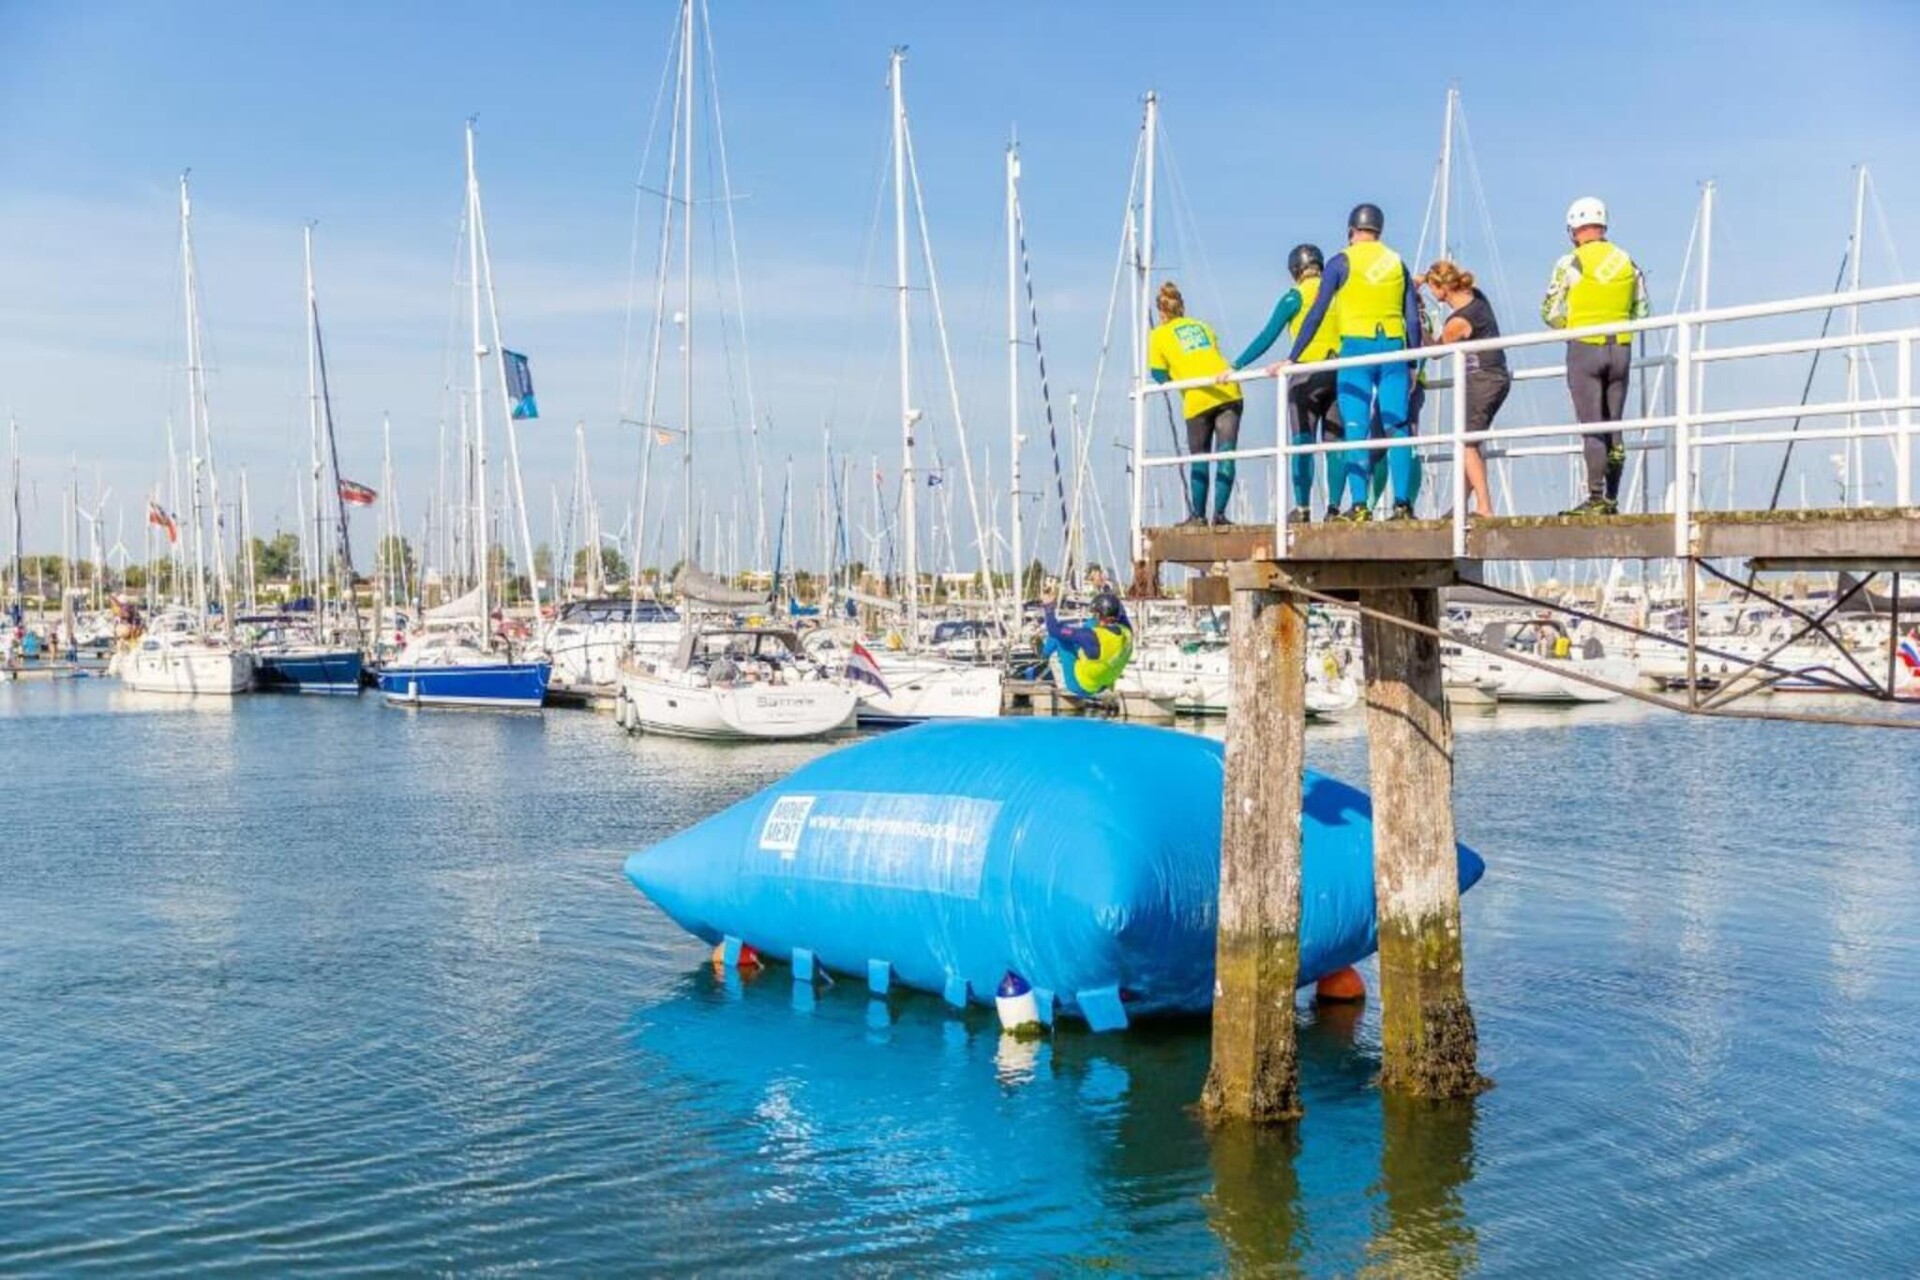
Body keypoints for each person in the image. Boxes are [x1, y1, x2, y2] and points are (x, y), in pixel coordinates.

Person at [1267, 203, 1422, 523]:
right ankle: (1403, 505)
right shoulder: (1397, 262)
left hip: (1356, 351)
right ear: (1379, 230)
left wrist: (1293, 357)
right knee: (1397, 427)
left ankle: (1360, 505)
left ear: (1352, 230)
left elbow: (1317, 312)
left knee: (1355, 427)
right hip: (1394, 350)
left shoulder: (1340, 261)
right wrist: (1412, 362)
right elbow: (1412, 318)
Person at [1542, 196, 1650, 515]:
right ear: (1604, 225)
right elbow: (1642, 310)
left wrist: (1569, 327)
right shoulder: (1627, 261)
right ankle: (1613, 498)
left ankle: (1595, 497)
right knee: (1614, 424)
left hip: (1585, 347)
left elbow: (1550, 310)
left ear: (1573, 230)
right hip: (1621, 348)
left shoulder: (1570, 262)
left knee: (1592, 426)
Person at [1225, 243, 1341, 523]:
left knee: (1302, 443)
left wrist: (1236, 365)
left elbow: (1267, 336)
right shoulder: (1338, 294)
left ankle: (1302, 508)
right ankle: (1335, 509)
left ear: (1295, 271)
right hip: (1339, 371)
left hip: (1305, 376)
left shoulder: (1294, 297)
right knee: (1336, 444)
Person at [1148, 281, 1244, 527]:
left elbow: (1158, 373)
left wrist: (1174, 380)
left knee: (1200, 457)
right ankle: (1220, 515)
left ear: (1161, 312)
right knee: (1226, 455)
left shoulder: (1158, 335)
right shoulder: (1203, 326)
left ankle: (1198, 516)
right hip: (1228, 390)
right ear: (1182, 306)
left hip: (1197, 397)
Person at [1422, 260, 1510, 518]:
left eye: (1432, 288)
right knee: (1470, 441)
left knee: (1467, 443)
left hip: (1483, 380)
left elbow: (1435, 351)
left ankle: (1484, 507)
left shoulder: (1459, 321)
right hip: (1495, 376)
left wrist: (1417, 322)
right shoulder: (1477, 297)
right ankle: (1460, 504)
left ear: (1442, 288)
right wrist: (1423, 279)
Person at [1041, 583, 1133, 699]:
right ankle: (1049, 652)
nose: (1094, 615)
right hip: (1103, 685)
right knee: (1088, 625)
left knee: (1060, 637)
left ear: (1099, 616)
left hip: (1080, 685)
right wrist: (1107, 593)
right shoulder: (1127, 632)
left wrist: (1048, 606)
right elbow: (1120, 610)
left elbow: (1053, 629)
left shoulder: (1090, 637)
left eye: (1095, 614)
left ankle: (1043, 654)